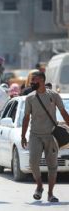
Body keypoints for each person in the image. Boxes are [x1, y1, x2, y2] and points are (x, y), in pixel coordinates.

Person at [21, 71, 69, 203]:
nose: (31, 83)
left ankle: (50, 193)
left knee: (52, 166)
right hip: (35, 135)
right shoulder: (30, 98)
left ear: (41, 80)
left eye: (34, 80)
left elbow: (63, 112)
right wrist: (23, 136)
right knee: (33, 163)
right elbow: (26, 118)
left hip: (51, 135)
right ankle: (39, 186)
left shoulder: (54, 96)